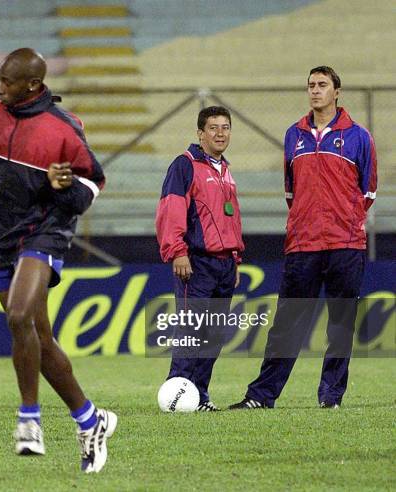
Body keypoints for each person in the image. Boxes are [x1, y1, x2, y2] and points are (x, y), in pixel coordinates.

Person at [0, 48, 116, 473]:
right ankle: (90, 420)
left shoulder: (64, 129)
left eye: (7, 83)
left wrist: (61, 187)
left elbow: (90, 187)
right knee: (40, 337)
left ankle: (29, 420)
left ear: (32, 85)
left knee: (17, 316)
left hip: (43, 230)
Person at [229, 66, 378, 410]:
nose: (315, 90)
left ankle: (331, 397)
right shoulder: (292, 135)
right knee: (286, 325)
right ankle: (262, 396)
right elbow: (290, 191)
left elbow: (368, 190)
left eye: (322, 85)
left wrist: (348, 221)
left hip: (345, 244)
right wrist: (305, 221)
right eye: (311, 85)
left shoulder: (358, 136)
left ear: (337, 92)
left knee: (340, 326)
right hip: (303, 245)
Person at [156, 106, 244, 411]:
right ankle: (176, 397)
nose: (220, 133)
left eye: (225, 127)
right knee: (192, 331)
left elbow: (229, 219)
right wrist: (177, 252)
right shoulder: (185, 165)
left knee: (213, 335)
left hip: (224, 264)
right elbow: (171, 210)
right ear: (200, 133)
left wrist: (235, 258)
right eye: (213, 128)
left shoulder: (224, 169)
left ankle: (200, 396)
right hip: (196, 261)